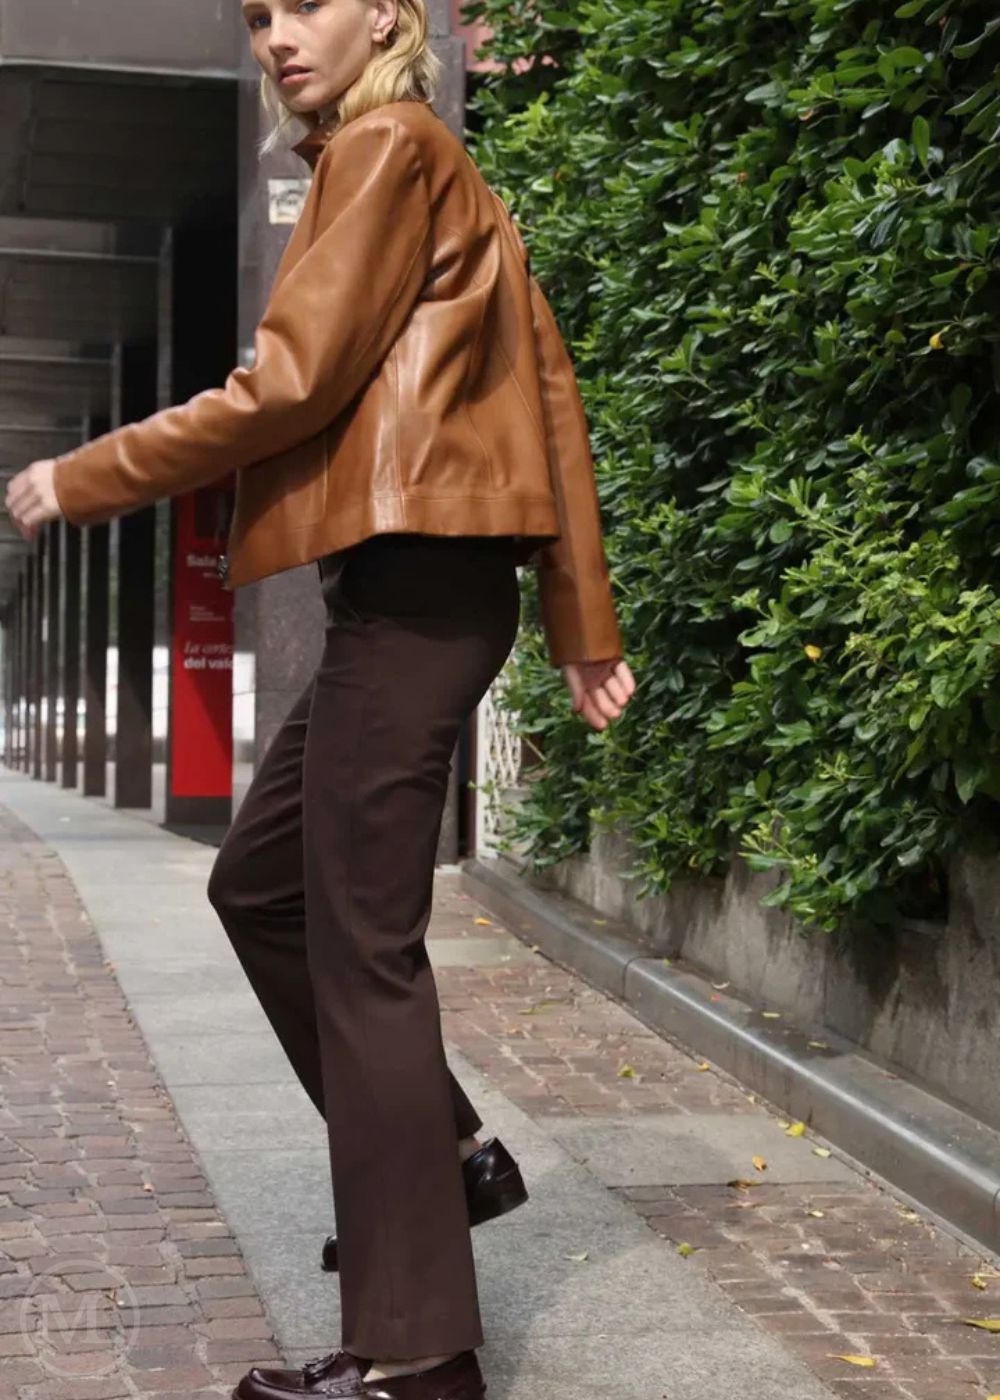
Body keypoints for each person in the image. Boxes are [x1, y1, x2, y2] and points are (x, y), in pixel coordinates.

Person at [5, 0, 637, 1395]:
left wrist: (81, 474)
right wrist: (581, 619)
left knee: (363, 946)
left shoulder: (382, 148)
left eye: (305, 6)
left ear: (389, 20)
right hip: (414, 602)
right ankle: (449, 1158)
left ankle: (419, 1360)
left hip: (416, 596)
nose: (277, 36)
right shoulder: (438, 166)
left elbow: (285, 385)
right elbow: (548, 380)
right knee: (264, 889)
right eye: (255, 17)